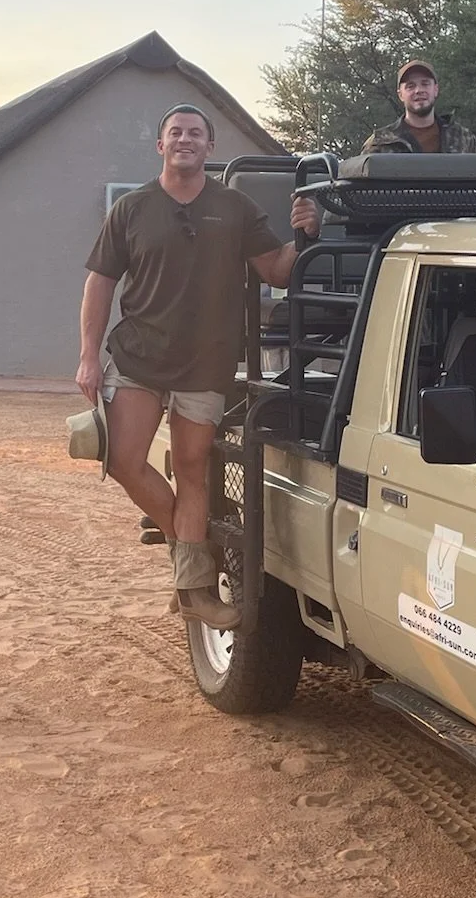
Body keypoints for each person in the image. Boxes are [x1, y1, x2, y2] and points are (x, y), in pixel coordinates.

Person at [77, 104, 320, 628]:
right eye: (175, 132)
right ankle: (196, 552)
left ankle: (193, 588)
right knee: (123, 460)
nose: (185, 140)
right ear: (160, 145)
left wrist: (304, 237)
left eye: (195, 134)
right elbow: (100, 281)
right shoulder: (132, 208)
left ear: (210, 148)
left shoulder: (234, 206)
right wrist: (88, 357)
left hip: (205, 362)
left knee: (192, 470)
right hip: (139, 356)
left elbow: (274, 267)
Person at [361, 60, 476, 155]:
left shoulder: (463, 138)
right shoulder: (380, 143)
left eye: (425, 84)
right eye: (410, 86)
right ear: (400, 95)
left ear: (435, 90)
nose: (419, 90)